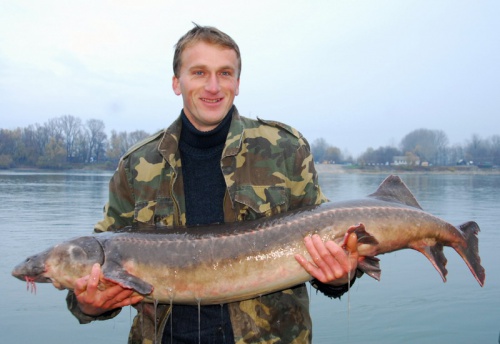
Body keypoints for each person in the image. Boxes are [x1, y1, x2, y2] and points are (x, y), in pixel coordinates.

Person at [66, 24, 360, 343]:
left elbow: (329, 249)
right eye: (199, 72)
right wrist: (88, 304)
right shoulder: (137, 166)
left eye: (224, 73)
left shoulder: (285, 150)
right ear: (177, 83)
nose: (213, 86)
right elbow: (95, 264)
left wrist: (339, 276)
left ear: (237, 83)